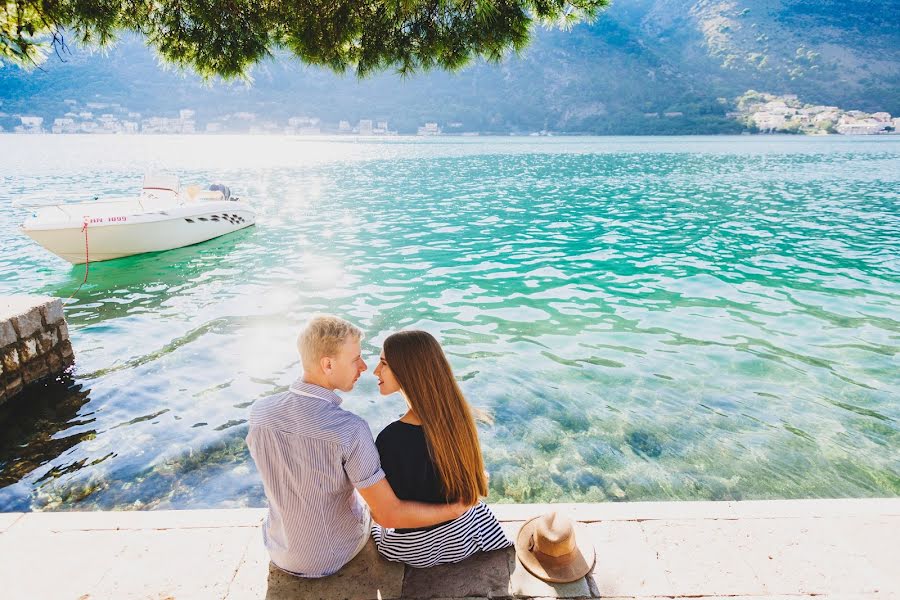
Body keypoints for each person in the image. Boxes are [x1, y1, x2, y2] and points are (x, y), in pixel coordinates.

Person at [246, 315, 469, 578]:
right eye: (355, 359)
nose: (364, 367)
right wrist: (456, 509)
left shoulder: (259, 413)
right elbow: (389, 514)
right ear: (328, 364)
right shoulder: (350, 429)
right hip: (335, 554)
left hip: (278, 550)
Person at [371, 330, 512, 567]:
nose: (376, 370)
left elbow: (385, 515)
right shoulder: (459, 417)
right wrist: (457, 509)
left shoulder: (391, 438)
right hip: (466, 537)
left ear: (407, 370)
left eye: (383, 363)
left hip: (417, 550)